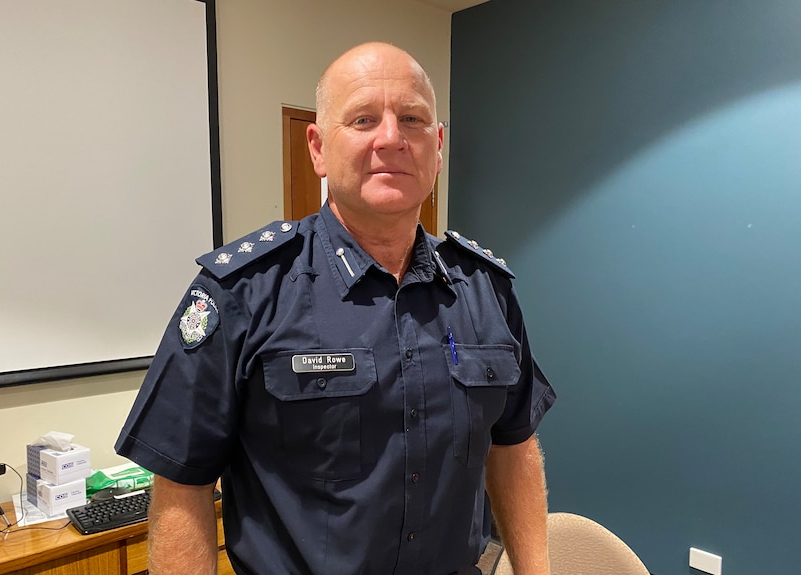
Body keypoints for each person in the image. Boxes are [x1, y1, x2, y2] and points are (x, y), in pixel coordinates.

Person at [115, 41, 556, 575]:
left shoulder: (485, 289)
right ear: (318, 147)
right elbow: (183, 483)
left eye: (412, 119)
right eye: (364, 119)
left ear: (438, 146)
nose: (391, 139)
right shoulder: (243, 292)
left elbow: (513, 447)